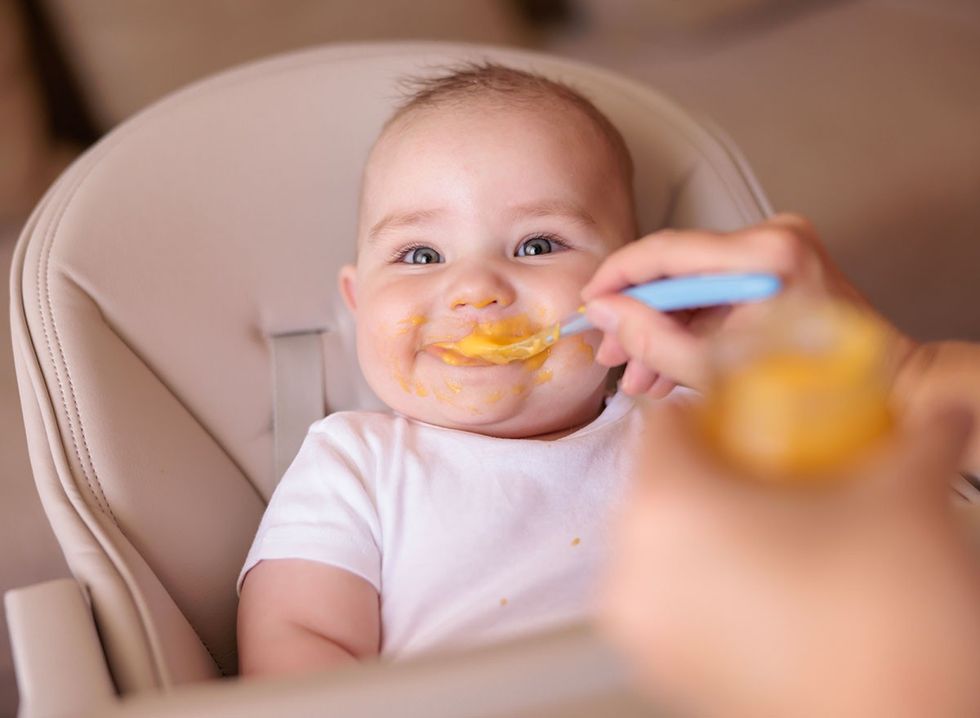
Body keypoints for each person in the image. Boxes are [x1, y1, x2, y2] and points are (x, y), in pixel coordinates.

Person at [236, 62, 654, 676]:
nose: (474, 289)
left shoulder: (695, 423)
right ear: (357, 304)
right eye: (421, 254)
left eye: (537, 245)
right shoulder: (355, 465)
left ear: (637, 282)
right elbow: (297, 642)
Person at [588, 215, 980, 716]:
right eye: (446, 257)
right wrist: (909, 377)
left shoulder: (729, 416)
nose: (475, 290)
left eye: (537, 247)